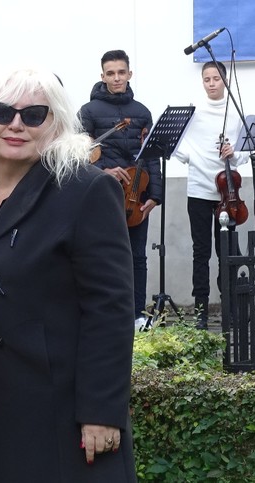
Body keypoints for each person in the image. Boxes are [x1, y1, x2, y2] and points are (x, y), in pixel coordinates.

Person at [0, 68, 137, 481]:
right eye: (2, 111)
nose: (15, 124)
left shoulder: (86, 191)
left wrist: (101, 410)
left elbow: (111, 309)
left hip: (56, 411)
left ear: (56, 124)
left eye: (33, 115)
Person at [79, 49, 162, 329]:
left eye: (121, 72)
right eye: (110, 73)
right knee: (104, 255)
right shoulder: (88, 112)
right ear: (102, 76)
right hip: (104, 194)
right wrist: (103, 171)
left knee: (138, 257)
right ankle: (108, 314)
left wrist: (156, 196)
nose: (117, 78)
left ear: (129, 74)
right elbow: (81, 153)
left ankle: (137, 314)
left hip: (138, 196)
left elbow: (151, 155)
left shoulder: (142, 112)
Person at [174, 61, 248, 329]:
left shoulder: (235, 111)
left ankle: (230, 307)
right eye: (207, 79)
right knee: (201, 252)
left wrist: (234, 154)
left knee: (226, 251)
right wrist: (191, 156)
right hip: (199, 190)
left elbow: (244, 148)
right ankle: (202, 310)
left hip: (228, 192)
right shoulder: (193, 111)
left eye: (216, 78)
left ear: (225, 81)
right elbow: (175, 144)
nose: (212, 83)